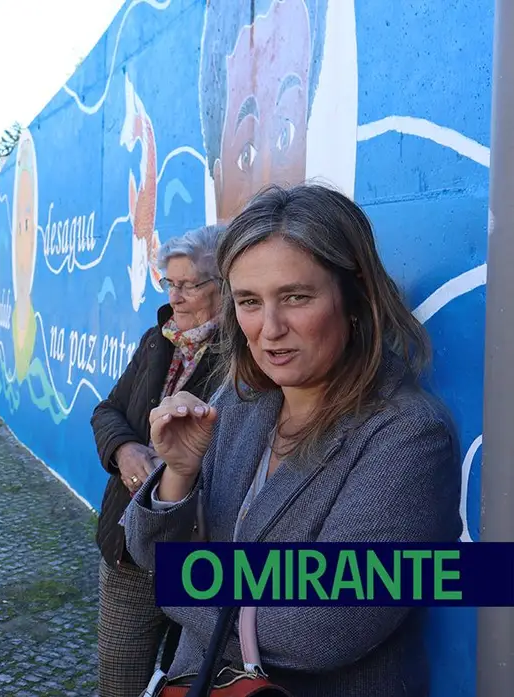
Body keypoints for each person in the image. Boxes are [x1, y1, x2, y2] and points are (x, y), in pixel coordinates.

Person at [125, 183, 462, 695]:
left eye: (296, 297)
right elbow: (145, 550)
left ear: (355, 297)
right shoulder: (239, 402)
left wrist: (177, 580)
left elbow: (319, 627)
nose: (269, 328)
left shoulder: (407, 434)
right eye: (249, 302)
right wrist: (178, 473)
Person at [89, 224, 226, 696]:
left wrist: (176, 471)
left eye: (190, 285)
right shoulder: (158, 338)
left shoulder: (244, 355)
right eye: (170, 283)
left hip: (197, 556)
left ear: (224, 285)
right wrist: (124, 450)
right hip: (127, 548)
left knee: (189, 685)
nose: (177, 296)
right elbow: (106, 410)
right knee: (120, 686)